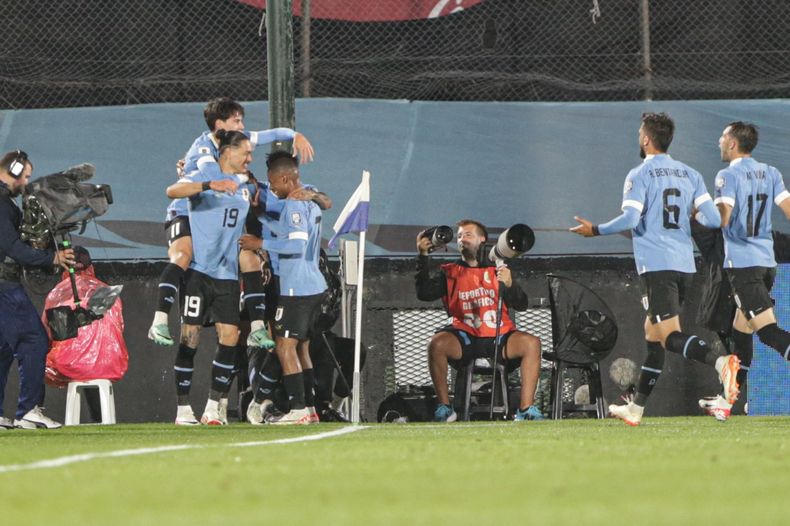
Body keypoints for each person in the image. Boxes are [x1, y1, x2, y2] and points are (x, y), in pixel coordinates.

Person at [570, 112, 740, 426]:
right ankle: (636, 409)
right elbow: (715, 221)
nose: (639, 137)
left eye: (639, 133)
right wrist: (690, 215)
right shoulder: (690, 174)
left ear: (647, 138)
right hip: (684, 264)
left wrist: (596, 230)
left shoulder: (640, 174)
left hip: (657, 266)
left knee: (669, 336)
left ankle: (721, 363)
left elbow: (631, 219)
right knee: (653, 335)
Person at [149, 97, 315, 348]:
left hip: (217, 215)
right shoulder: (203, 147)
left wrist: (295, 134)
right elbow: (213, 177)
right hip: (188, 209)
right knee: (183, 255)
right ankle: (159, 320)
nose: (242, 125)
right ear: (219, 125)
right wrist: (244, 179)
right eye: (236, 120)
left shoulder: (236, 140)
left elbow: (269, 134)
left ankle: (257, 328)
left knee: (249, 259)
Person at [698, 122, 790, 421]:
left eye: (723, 137)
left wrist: (700, 211)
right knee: (741, 333)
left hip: (744, 267)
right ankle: (727, 401)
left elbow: (722, 219)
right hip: (766, 262)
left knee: (768, 333)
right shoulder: (771, 172)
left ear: (734, 144)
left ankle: (727, 399)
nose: (720, 141)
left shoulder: (727, 175)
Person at [415, 219, 544, 422]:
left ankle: (526, 410)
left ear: (482, 239)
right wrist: (422, 256)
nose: (462, 239)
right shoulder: (450, 272)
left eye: (468, 235)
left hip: (499, 337)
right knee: (436, 343)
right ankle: (445, 409)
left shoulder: (498, 266)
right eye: (459, 236)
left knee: (532, 343)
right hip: (465, 338)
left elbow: (521, 304)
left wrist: (510, 285)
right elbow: (423, 293)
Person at [164, 130, 251, 425]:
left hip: (227, 275)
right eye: (245, 152)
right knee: (190, 339)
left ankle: (213, 407)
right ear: (227, 152)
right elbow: (172, 192)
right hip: (199, 272)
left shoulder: (245, 185)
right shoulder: (204, 174)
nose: (249, 158)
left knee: (231, 337)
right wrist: (206, 184)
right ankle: (183, 408)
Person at [240, 162, 331, 425]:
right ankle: (310, 409)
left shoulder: (294, 203)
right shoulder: (305, 203)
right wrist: (262, 216)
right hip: (313, 285)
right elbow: (291, 231)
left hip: (297, 288)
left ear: (283, 178)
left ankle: (299, 410)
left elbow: (296, 243)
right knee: (301, 348)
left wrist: (260, 243)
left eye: (273, 183)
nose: (271, 188)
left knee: (284, 347)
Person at [0, 150, 74, 430]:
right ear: (14, 170)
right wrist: (51, 258)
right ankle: (29, 410)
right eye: (26, 175)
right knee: (34, 341)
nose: (27, 182)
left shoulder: (6, 204)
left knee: (4, 348)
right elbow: (12, 248)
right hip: (4, 287)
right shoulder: (1, 204)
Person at [42, 246, 128, 422]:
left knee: (36, 355)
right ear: (91, 266)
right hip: (111, 362)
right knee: (90, 365)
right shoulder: (109, 292)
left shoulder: (57, 294)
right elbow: (119, 329)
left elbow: (48, 334)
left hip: (69, 364)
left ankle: (33, 409)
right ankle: (99, 419)